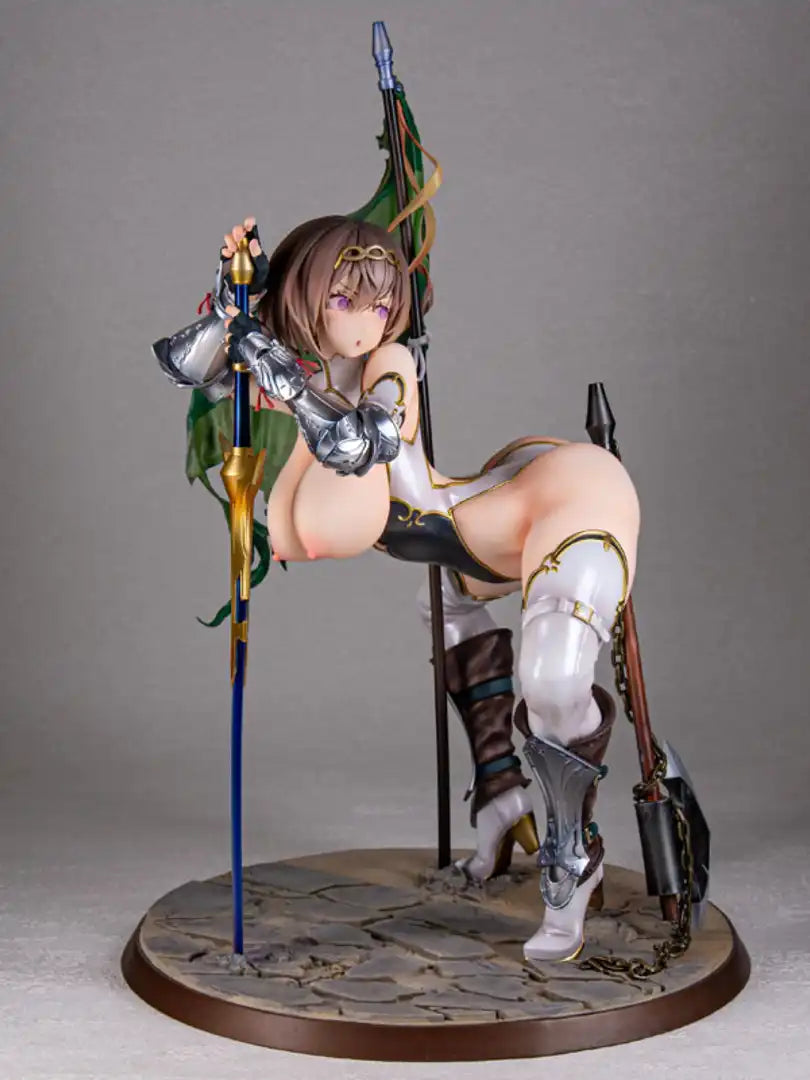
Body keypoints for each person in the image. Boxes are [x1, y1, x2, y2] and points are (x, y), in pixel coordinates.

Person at [154, 213, 640, 962]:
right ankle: (502, 791)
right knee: (444, 606)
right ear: (307, 295)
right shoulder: (311, 366)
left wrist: (274, 366)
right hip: (474, 537)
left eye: (382, 302)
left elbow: (357, 443)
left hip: (569, 498)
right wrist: (233, 298)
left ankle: (573, 857)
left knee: (552, 682)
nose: (369, 318)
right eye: (346, 298)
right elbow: (185, 367)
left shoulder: (389, 364)